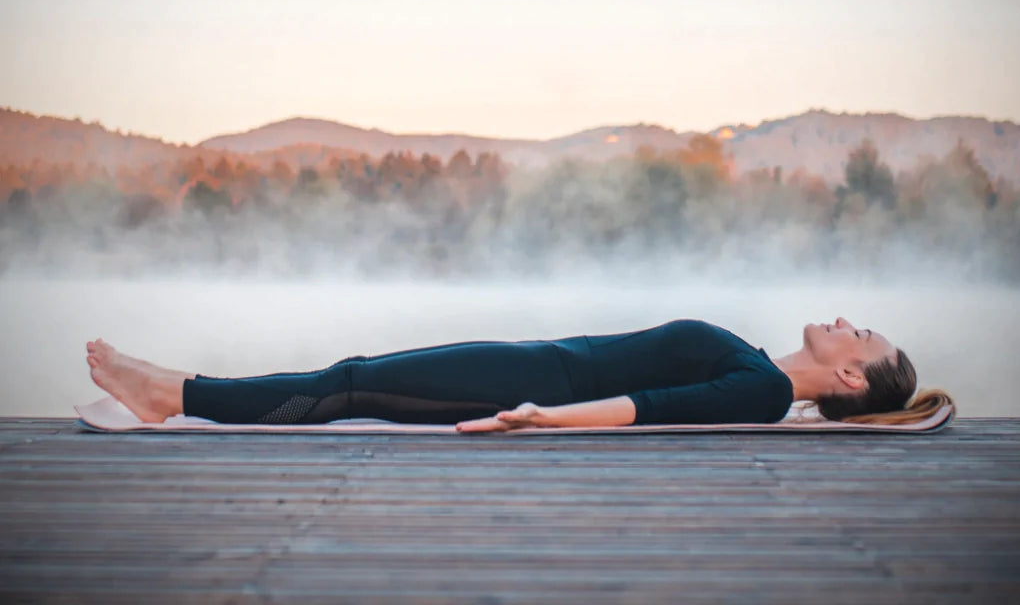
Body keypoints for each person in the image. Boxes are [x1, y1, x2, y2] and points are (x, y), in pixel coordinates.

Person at [84, 316, 953, 431]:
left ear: (847, 375)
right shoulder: (761, 371)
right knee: (353, 375)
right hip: (529, 364)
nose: (849, 320)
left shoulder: (764, 391)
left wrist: (537, 416)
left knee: (350, 385)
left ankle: (174, 396)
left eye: (863, 334)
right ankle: (179, 391)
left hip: (527, 384)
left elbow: (648, 408)